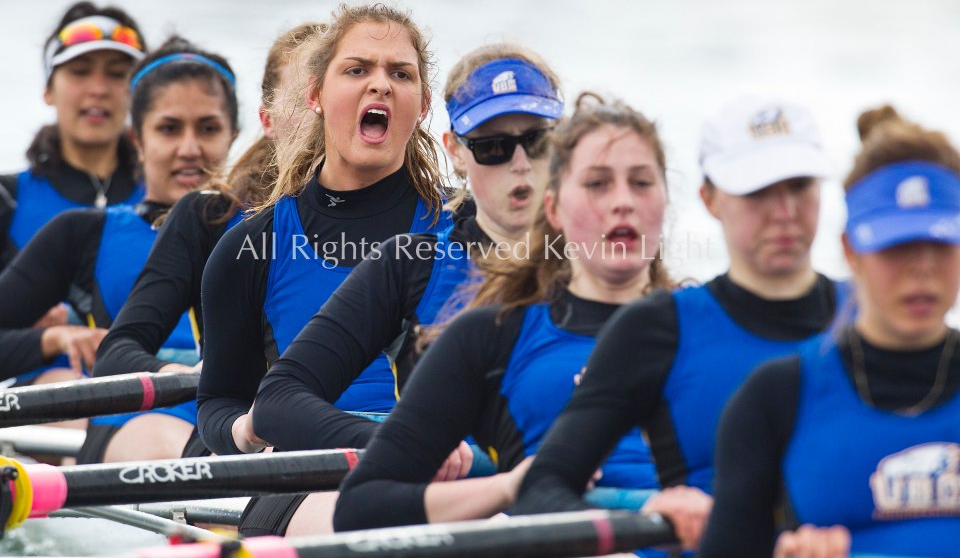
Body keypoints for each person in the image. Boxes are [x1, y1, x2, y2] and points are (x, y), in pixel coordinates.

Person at [247, 44, 562, 536]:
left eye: (538, 142)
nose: (520, 163)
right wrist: (398, 440)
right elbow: (278, 399)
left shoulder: (608, 267)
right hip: (442, 496)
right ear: (456, 151)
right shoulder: (412, 264)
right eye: (493, 146)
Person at [513, 95, 844, 552]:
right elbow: (542, 490)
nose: (784, 211)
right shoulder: (657, 329)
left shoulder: (875, 313)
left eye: (799, 186)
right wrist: (642, 513)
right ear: (709, 199)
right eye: (759, 190)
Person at [333, 93, 669, 532]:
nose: (623, 202)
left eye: (642, 182)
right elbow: (362, 507)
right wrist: (509, 487)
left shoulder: (714, 325)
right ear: (554, 208)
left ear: (666, 199)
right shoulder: (491, 334)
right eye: (597, 184)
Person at [197, 3, 452, 458]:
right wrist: (245, 431)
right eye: (357, 70)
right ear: (315, 94)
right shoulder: (252, 246)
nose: (380, 84)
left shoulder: (464, 229)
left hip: (444, 469)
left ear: (424, 104)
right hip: (304, 469)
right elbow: (218, 403)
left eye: (400, 74)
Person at [700, 115, 960, 558]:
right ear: (849, 250)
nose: (923, 269)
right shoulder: (774, 397)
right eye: (897, 246)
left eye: (940, 242)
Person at [0, 36, 238, 463]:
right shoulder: (82, 233)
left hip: (237, 420)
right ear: (137, 140)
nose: (190, 149)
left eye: (208, 128)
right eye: (169, 128)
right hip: (133, 418)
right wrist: (51, 340)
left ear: (233, 136)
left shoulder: (273, 230)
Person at [93, 22, 322, 378]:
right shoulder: (208, 216)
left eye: (333, 93)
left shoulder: (432, 219)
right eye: (304, 98)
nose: (321, 112)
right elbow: (116, 354)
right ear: (267, 120)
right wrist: (182, 377)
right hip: (237, 425)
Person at [0, 1, 146, 274]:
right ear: (48, 90)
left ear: (140, 95)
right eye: (80, 71)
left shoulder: (174, 199)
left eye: (116, 74)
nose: (99, 89)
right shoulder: (7, 201)